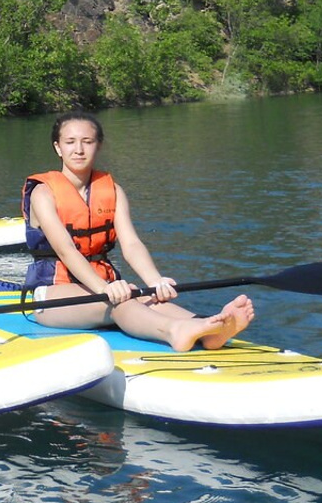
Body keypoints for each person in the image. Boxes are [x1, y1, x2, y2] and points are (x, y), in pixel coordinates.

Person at [22, 111, 255, 353]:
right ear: (58, 148)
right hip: (51, 295)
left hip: (104, 285)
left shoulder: (114, 191)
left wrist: (155, 281)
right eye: (70, 142)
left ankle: (208, 329)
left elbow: (131, 244)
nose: (79, 149)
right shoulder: (43, 193)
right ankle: (174, 332)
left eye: (87, 141)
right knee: (120, 301)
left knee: (148, 299)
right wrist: (104, 288)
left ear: (98, 145)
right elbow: (66, 250)